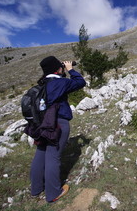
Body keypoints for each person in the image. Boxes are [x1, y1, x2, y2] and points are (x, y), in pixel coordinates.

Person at [30, 56, 86, 202]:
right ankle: (53, 193)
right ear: (58, 68)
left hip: (41, 125)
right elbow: (80, 82)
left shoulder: (42, 84)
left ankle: (36, 188)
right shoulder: (59, 83)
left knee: (41, 154)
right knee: (53, 157)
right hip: (57, 124)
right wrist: (70, 69)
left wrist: (62, 71)